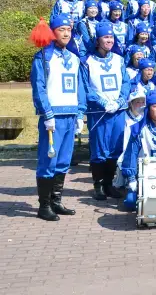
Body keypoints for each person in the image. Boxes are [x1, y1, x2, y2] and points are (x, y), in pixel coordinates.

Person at [30, 14, 87, 221]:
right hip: (52, 118)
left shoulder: (74, 58)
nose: (66, 33)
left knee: (63, 161)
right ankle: (43, 206)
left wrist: (80, 112)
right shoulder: (43, 57)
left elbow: (80, 87)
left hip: (70, 116)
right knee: (48, 160)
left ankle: (56, 201)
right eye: (62, 29)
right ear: (52, 31)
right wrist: (47, 113)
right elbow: (39, 87)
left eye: (69, 30)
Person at [81, 22, 131, 201]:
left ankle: (109, 184)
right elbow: (85, 87)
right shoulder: (88, 61)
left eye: (111, 37)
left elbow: (126, 82)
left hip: (118, 110)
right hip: (99, 112)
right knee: (99, 148)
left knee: (115, 148)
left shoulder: (119, 59)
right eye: (105, 37)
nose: (109, 40)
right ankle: (98, 185)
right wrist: (101, 101)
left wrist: (120, 100)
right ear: (98, 40)